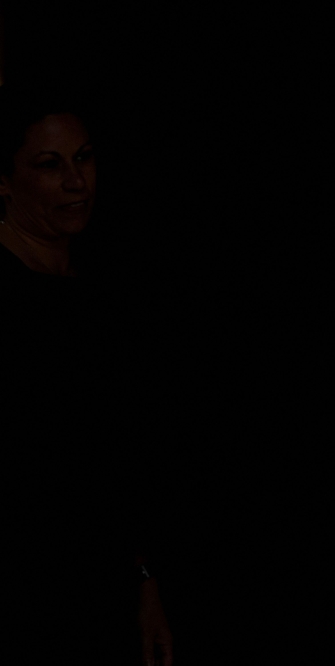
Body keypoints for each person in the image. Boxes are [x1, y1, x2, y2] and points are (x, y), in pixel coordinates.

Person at [0, 82, 174, 665]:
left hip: (100, 588)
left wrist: (143, 580)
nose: (77, 182)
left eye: (84, 158)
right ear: (5, 181)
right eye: (50, 165)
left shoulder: (101, 289)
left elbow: (113, 460)